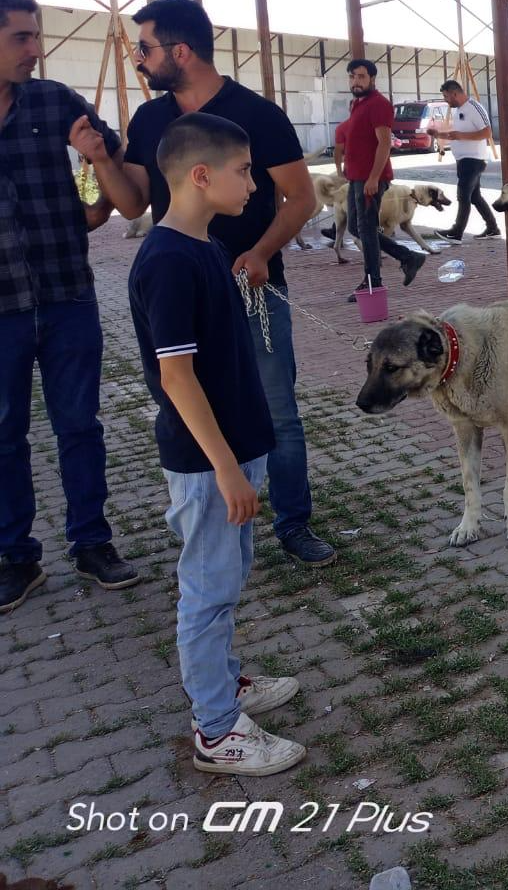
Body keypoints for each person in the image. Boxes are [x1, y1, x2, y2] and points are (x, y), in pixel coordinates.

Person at [91, 0, 334, 568]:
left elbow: (301, 198)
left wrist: (261, 252)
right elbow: (132, 204)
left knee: (276, 409)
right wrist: (101, 159)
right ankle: (214, 508)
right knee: (187, 400)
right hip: (184, 291)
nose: (139, 60)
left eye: (145, 49)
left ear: (180, 51)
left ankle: (293, 521)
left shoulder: (257, 114)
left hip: (253, 289)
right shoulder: (149, 121)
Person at [127, 112, 306, 776]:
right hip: (208, 462)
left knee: (226, 579)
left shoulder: (204, 246)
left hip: (234, 451)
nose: (255, 186)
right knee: (206, 590)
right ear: (201, 176)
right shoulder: (168, 261)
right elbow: (177, 377)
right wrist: (225, 467)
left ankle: (223, 683)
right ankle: (216, 729)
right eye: (244, 171)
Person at [0, 0, 142, 612]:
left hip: (67, 298)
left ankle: (92, 543)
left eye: (36, 34)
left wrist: (100, 194)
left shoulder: (54, 100)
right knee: (4, 436)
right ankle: (17, 557)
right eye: (21, 37)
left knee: (79, 427)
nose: (35, 48)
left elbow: (117, 161)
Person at [341, 58, 424, 299]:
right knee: (356, 227)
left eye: (361, 76)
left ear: (372, 79)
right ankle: (408, 256)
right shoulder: (357, 104)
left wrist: (374, 178)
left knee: (366, 229)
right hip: (357, 177)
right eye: (352, 77)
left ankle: (373, 283)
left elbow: (385, 143)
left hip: (370, 179)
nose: (356, 81)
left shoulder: (379, 104)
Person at [435, 79, 500, 242]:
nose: (446, 100)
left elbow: (487, 133)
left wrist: (461, 136)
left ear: (455, 94)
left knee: (463, 195)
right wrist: (440, 135)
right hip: (464, 160)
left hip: (474, 160)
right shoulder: (459, 110)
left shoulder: (474, 107)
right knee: (475, 197)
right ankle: (493, 228)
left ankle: (456, 232)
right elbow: (458, 134)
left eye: (446, 97)